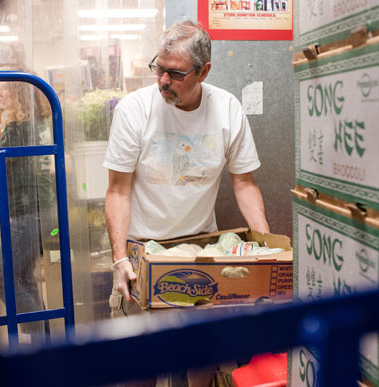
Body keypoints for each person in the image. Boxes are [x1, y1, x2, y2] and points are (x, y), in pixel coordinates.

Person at [104, 20, 270, 386]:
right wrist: (119, 258)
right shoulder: (134, 110)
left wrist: (266, 250)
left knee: (200, 359)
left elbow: (244, 182)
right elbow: (117, 189)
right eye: (158, 68)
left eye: (175, 73)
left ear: (204, 71)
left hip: (200, 250)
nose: (163, 81)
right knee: (139, 366)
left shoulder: (226, 109)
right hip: (140, 253)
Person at [0, 70, 56, 346]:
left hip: (26, 213)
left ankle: (41, 336)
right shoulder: (38, 123)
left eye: (4, 89)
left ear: (17, 95)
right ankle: (42, 342)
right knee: (23, 277)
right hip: (43, 210)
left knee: (0, 277)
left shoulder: (16, 128)